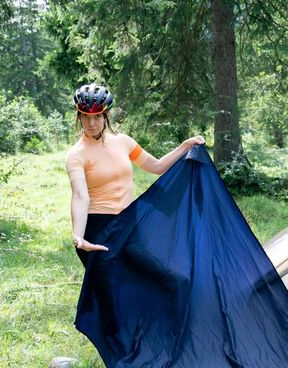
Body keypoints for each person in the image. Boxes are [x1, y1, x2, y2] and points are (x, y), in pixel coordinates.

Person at [65, 83, 205, 267]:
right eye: (86, 116)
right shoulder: (76, 154)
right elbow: (80, 196)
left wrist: (185, 146)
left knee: (157, 280)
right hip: (98, 228)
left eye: (97, 116)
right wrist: (78, 237)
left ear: (106, 115)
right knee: (111, 292)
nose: (91, 123)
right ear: (79, 116)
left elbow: (156, 166)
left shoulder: (123, 142)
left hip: (128, 222)